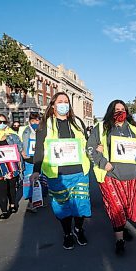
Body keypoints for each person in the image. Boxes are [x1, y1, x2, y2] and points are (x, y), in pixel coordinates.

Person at [87, 100, 136, 255]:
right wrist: (103, 163)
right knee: (116, 207)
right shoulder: (101, 127)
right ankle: (119, 240)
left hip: (131, 174)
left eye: (122, 109)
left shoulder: (134, 129)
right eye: (116, 109)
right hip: (110, 174)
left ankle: (122, 227)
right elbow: (90, 148)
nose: (120, 112)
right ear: (110, 111)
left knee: (126, 207)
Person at [31, 92, 91, 250]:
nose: (64, 104)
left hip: (79, 171)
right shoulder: (45, 125)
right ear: (53, 105)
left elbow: (86, 143)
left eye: (66, 101)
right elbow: (39, 149)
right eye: (60, 101)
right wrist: (36, 170)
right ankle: (67, 233)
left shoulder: (77, 122)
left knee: (81, 205)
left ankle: (78, 229)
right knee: (63, 207)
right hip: (58, 174)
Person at [0, 114, 23, 220]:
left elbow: (20, 147)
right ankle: (4, 210)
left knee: (11, 187)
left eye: (4, 122)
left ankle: (12, 204)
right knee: (1, 189)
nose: (2, 124)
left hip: (11, 165)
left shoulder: (12, 135)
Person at [18, 113, 41, 213]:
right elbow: (20, 142)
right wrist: (22, 151)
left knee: (40, 181)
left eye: (37, 120)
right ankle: (31, 203)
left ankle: (38, 200)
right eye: (33, 121)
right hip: (29, 159)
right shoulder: (25, 131)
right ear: (30, 121)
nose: (35, 123)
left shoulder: (42, 130)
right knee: (30, 181)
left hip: (39, 158)